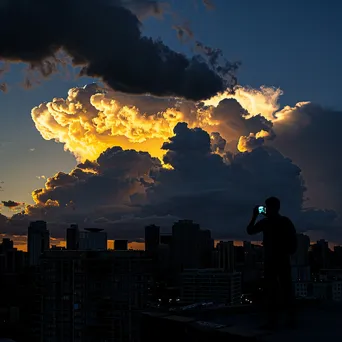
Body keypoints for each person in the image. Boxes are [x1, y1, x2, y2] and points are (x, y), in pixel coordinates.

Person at [246, 197, 297, 330]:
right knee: (282, 289)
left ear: (272, 208)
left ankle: (276, 320)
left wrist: (254, 215)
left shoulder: (268, 222)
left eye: (267, 207)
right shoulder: (281, 221)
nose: (267, 210)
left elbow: (250, 230)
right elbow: (294, 241)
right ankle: (287, 319)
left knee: (275, 290)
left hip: (274, 260)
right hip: (279, 260)